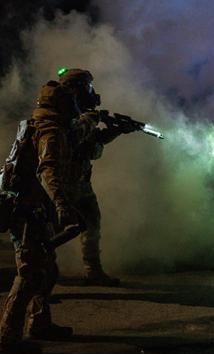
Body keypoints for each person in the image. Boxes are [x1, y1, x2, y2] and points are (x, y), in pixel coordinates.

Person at [0, 70, 132, 354]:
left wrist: (113, 130)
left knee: (47, 270)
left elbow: (84, 147)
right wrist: (61, 204)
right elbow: (48, 170)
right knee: (29, 274)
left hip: (35, 207)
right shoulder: (51, 131)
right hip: (28, 209)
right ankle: (6, 342)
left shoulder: (54, 125)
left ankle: (39, 323)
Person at [57, 68, 125, 286]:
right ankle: (40, 265)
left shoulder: (80, 113)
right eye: (88, 87)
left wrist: (117, 131)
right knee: (54, 228)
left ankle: (93, 270)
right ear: (76, 89)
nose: (92, 92)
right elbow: (73, 138)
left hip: (81, 182)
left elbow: (93, 141)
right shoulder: (60, 113)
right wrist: (92, 118)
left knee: (91, 222)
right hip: (60, 184)